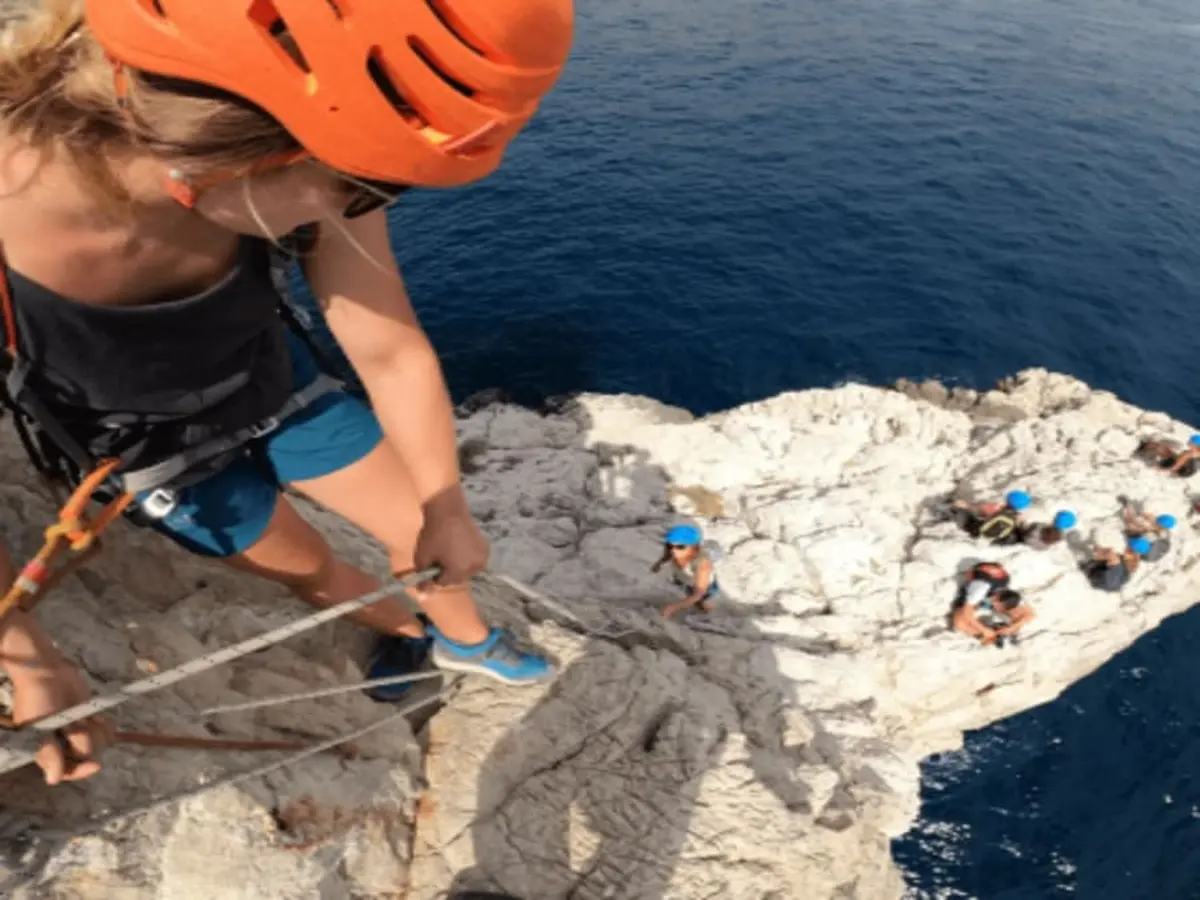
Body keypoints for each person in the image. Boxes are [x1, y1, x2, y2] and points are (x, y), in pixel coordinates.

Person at [0, 0, 573, 785]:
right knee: (313, 571)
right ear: (228, 157)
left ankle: (466, 643)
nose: (360, 209)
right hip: (153, 454)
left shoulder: (296, 166)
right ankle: (406, 630)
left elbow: (390, 348)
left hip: (271, 387)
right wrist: (23, 647)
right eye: (363, 187)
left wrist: (446, 504)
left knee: (417, 534)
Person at [949, 562, 1034, 647]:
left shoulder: (1009, 594)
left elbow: (1030, 614)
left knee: (1020, 613)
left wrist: (1012, 627)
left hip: (991, 592)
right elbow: (966, 613)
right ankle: (982, 636)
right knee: (960, 622)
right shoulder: (979, 590)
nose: (1000, 612)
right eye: (1000, 609)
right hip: (974, 596)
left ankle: (1000, 632)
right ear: (997, 600)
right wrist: (984, 630)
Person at [650, 524, 722, 619]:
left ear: (694, 548)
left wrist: (673, 608)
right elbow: (667, 556)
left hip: (706, 589)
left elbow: (698, 594)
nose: (674, 550)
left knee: (702, 605)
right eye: (670, 546)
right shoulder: (673, 552)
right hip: (686, 581)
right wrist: (659, 564)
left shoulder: (702, 564)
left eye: (680, 547)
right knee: (689, 596)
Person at [948, 490, 1032, 545]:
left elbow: (981, 531)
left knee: (958, 505)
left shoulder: (1002, 516)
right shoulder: (1014, 516)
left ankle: (947, 517)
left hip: (972, 529)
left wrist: (969, 511)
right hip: (983, 530)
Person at [1083, 537, 1150, 592]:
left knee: (1111, 555)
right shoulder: (1132, 565)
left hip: (1096, 579)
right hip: (1110, 584)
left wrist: (1098, 549)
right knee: (1112, 557)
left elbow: (1109, 555)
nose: (1126, 548)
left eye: (1128, 548)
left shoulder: (1118, 559)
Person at [1135, 436, 1200, 477]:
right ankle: (1145, 445)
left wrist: (1160, 469)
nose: (1188, 443)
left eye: (1190, 442)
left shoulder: (1188, 454)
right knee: (1167, 450)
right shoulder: (1197, 453)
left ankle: (1140, 446)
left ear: (1194, 444)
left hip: (1181, 471)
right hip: (1188, 472)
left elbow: (1175, 467)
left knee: (1161, 448)